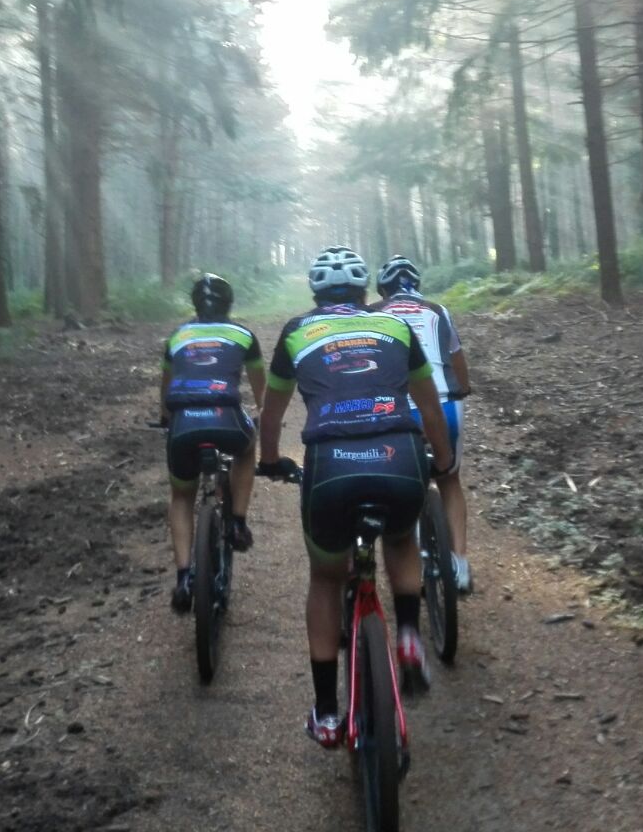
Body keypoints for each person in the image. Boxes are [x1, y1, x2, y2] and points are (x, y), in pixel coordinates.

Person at [257, 247, 455, 748]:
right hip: (400, 457)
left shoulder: (296, 332)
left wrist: (269, 459)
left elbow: (271, 415)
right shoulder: (394, 328)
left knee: (326, 578)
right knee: (401, 541)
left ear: (315, 293)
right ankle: (409, 637)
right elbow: (430, 410)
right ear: (366, 293)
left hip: (330, 469)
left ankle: (326, 713)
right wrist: (444, 462)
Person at [160, 273, 264, 613]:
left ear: (194, 305)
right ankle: (237, 521)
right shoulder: (243, 335)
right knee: (247, 448)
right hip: (226, 418)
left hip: (183, 425)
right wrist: (261, 413)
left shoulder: (177, 336)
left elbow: (165, 394)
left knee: (181, 496)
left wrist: (165, 419)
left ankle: (184, 578)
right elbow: (261, 391)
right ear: (229, 303)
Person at [373, 255, 475, 595]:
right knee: (450, 480)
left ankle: (410, 560)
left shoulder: (373, 313)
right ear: (417, 286)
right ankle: (459, 563)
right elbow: (457, 360)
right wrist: (464, 388)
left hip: (396, 407)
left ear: (383, 289)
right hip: (445, 404)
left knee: (396, 483)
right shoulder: (438, 310)